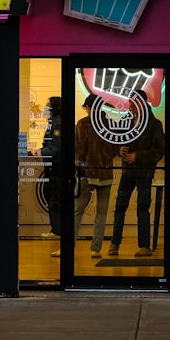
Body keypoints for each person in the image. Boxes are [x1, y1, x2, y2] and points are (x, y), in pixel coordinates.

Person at [108, 89, 165, 257]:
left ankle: (144, 246)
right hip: (128, 170)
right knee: (120, 206)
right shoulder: (128, 120)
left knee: (142, 207)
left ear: (142, 103)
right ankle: (115, 243)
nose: (130, 105)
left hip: (144, 172)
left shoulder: (155, 124)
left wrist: (137, 156)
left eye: (133, 102)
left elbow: (159, 150)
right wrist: (120, 149)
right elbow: (116, 140)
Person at [73, 94, 117, 259]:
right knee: (101, 213)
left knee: (77, 211)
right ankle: (96, 249)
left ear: (89, 107)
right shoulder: (110, 123)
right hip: (106, 173)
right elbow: (114, 150)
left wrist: (78, 166)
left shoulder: (83, 124)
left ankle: (68, 247)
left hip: (87, 172)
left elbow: (79, 149)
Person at [40, 96, 62, 257]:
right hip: (51, 165)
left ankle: (57, 230)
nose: (45, 108)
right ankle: (55, 228)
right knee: (51, 195)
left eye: (48, 106)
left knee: (54, 196)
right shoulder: (52, 122)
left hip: (56, 166)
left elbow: (55, 147)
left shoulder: (57, 123)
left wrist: (39, 152)